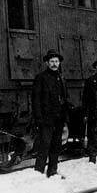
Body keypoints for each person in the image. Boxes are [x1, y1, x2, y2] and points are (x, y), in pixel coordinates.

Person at [32, 49, 70, 177]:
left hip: (59, 118)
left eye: (56, 61)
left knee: (56, 146)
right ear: (47, 63)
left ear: (59, 63)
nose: (54, 64)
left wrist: (65, 115)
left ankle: (52, 170)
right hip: (46, 119)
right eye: (52, 61)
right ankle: (39, 172)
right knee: (44, 146)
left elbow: (65, 98)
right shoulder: (41, 78)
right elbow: (36, 100)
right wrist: (38, 118)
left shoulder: (62, 78)